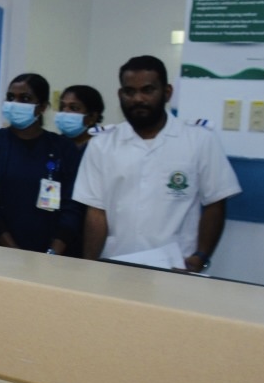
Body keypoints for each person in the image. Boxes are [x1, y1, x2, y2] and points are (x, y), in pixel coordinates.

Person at [75, 56, 241, 273]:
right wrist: (89, 267)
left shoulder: (199, 140)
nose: (138, 99)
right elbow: (96, 212)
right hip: (116, 264)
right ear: (120, 94)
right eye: (129, 92)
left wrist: (200, 257)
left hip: (176, 268)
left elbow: (215, 202)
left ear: (167, 92)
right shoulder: (101, 144)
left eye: (148, 90)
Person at [0, 72, 83, 254]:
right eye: (11, 97)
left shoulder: (63, 148)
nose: (15, 103)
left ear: (42, 107)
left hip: (51, 251)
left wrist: (54, 253)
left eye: (25, 98)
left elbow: (72, 204)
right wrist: (12, 250)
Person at [56, 84, 107, 148]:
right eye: (62, 107)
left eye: (74, 108)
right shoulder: (54, 144)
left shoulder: (106, 144)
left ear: (93, 117)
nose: (65, 112)